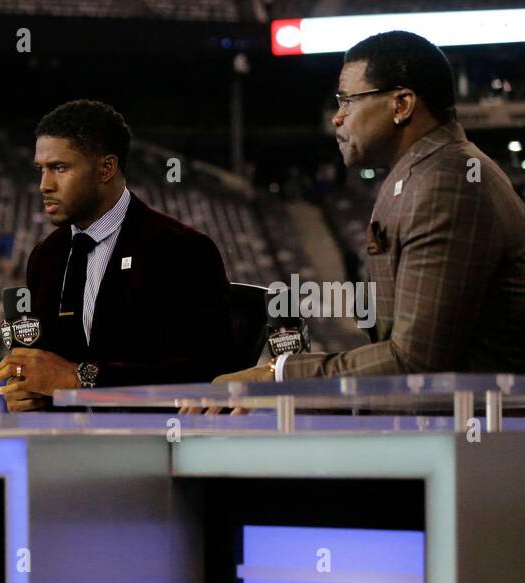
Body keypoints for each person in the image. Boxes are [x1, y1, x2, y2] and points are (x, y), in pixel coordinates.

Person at [218, 30, 525, 384]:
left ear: (402, 104)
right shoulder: (423, 175)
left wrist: (279, 374)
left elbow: (416, 364)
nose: (337, 117)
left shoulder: (448, 184)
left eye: (348, 101)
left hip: (485, 431)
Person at [0, 99, 232, 412]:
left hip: (159, 445)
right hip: (67, 450)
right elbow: (51, 372)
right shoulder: (45, 256)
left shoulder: (182, 249)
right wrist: (29, 394)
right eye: (41, 170)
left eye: (60, 168)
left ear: (106, 168)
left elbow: (213, 373)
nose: (44, 185)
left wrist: (83, 379)